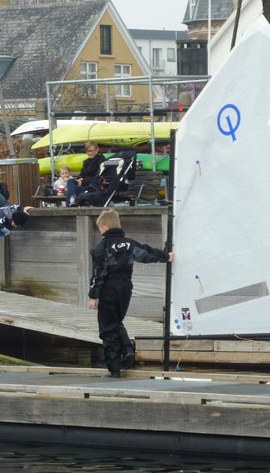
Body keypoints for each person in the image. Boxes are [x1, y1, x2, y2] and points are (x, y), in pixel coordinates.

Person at [89, 209, 173, 378]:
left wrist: (93, 295)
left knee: (107, 328)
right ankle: (127, 351)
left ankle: (114, 369)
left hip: (108, 289)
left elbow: (100, 273)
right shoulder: (129, 244)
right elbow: (146, 253)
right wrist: (166, 256)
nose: (100, 231)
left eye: (99, 228)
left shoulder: (102, 248)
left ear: (104, 227)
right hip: (125, 289)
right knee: (116, 321)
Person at [66, 141, 106, 206]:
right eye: (88, 151)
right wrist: (80, 179)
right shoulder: (86, 162)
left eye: (92, 151)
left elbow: (98, 176)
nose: (90, 153)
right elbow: (81, 174)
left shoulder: (101, 160)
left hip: (92, 186)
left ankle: (71, 203)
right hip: (84, 185)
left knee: (72, 190)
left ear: (97, 150)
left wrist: (83, 181)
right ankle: (72, 201)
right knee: (70, 181)